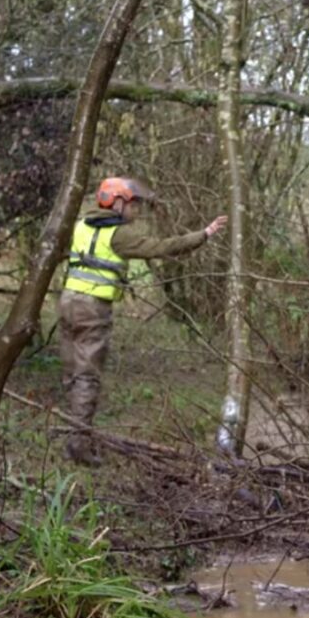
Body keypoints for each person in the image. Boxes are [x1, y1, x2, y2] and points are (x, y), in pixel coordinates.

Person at [59, 177, 227, 464]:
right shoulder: (118, 234)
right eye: (133, 205)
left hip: (67, 303)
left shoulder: (80, 226)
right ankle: (79, 445)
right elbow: (161, 247)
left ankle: (72, 433)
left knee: (72, 372)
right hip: (93, 309)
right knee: (87, 375)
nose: (137, 211)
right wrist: (205, 234)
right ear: (117, 203)